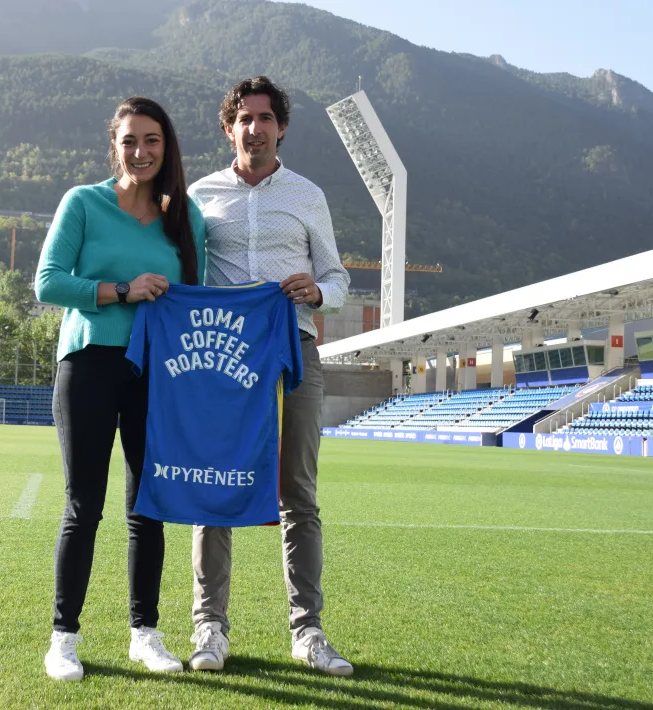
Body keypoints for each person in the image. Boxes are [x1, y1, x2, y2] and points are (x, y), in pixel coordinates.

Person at [34, 96, 207, 682]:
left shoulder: (187, 219)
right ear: (115, 144)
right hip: (88, 365)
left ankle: (145, 634)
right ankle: (64, 638)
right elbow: (48, 282)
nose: (141, 151)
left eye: (152, 140)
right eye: (130, 140)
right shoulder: (82, 203)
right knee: (84, 505)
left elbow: (194, 302)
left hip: (156, 374)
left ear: (167, 147)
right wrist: (122, 290)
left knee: (146, 510)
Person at [186, 76, 354, 676]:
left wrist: (319, 292)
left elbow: (337, 278)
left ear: (281, 127)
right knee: (217, 486)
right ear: (228, 127)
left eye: (265, 118)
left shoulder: (308, 196)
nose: (254, 128)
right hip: (223, 361)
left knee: (298, 496)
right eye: (244, 118)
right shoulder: (199, 196)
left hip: (294, 353)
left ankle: (307, 632)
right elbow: (183, 273)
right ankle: (210, 629)